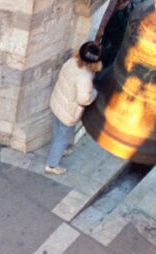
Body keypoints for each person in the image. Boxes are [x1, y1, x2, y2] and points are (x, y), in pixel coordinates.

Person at [44, 42, 102, 176]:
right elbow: (83, 99)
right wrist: (94, 94)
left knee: (58, 131)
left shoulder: (72, 62)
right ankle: (52, 165)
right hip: (69, 111)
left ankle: (58, 150)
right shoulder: (85, 77)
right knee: (63, 137)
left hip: (59, 103)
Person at [99, 0, 134, 69]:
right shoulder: (120, 13)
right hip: (110, 39)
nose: (121, 4)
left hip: (113, 40)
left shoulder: (123, 11)